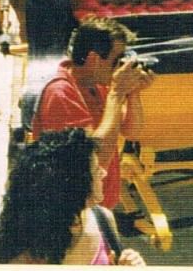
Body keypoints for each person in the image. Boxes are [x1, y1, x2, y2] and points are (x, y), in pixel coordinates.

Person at [32, 18, 154, 211]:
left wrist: (133, 93)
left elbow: (133, 132)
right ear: (94, 59)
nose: (119, 67)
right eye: (116, 60)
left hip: (99, 206)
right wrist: (116, 93)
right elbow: (93, 158)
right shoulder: (61, 94)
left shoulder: (97, 85)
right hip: (73, 211)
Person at [0, 128, 146, 265]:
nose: (103, 173)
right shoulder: (26, 258)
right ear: (73, 187)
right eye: (95, 170)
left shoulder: (103, 220)